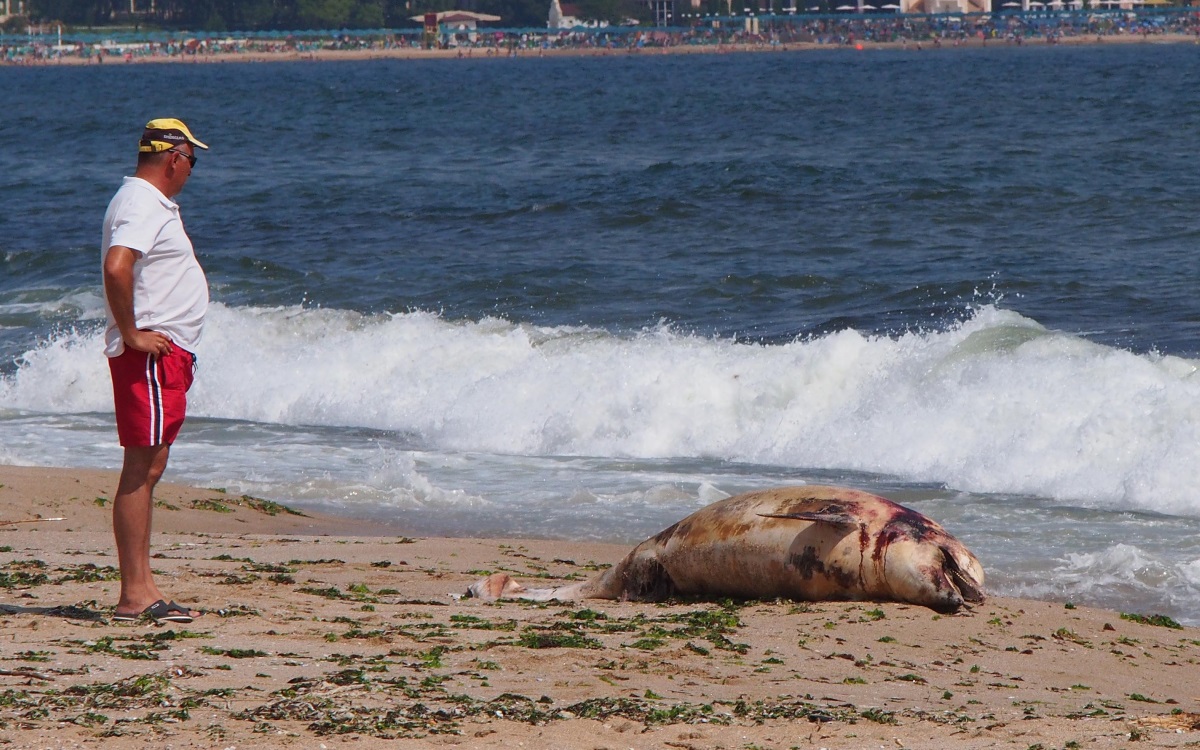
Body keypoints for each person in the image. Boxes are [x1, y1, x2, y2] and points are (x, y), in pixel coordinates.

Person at [101, 118, 209, 624]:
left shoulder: (146, 201)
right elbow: (117, 265)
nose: (191, 169)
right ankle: (135, 595)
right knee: (141, 468)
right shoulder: (143, 202)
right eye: (192, 160)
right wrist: (132, 334)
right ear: (173, 158)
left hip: (161, 356)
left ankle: (141, 587)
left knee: (150, 466)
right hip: (149, 356)